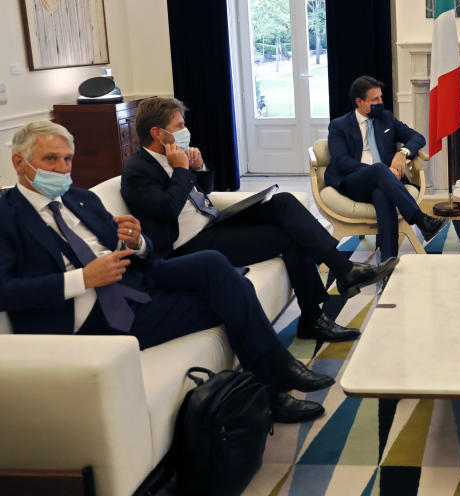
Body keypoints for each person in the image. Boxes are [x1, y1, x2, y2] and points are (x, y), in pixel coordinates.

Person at [0, 122, 334, 423]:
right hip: (91, 317)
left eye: (67, 160)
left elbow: (133, 248)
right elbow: (6, 291)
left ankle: (275, 378)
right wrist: (83, 279)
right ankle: (275, 386)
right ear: (19, 163)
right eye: (50, 160)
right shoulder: (6, 217)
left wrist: (137, 242)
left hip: (135, 280)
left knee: (214, 264)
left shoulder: (81, 198)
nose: (61, 169)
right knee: (235, 294)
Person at [120, 97, 397, 344]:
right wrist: (182, 170)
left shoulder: (173, 156)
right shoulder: (137, 172)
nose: (185, 131)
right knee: (291, 237)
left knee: (284, 203)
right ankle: (319, 311)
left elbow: (201, 195)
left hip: (214, 223)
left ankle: (341, 274)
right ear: (157, 132)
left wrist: (198, 168)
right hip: (190, 246)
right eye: (179, 126)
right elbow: (168, 209)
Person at [325, 76, 447, 259]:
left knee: (382, 195)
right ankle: (421, 221)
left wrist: (402, 153)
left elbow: (417, 137)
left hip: (385, 183)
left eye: (381, 97)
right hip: (354, 182)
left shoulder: (386, 118)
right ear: (359, 102)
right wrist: (376, 172)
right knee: (379, 169)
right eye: (375, 100)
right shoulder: (339, 125)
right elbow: (341, 161)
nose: (381, 102)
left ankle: (388, 263)